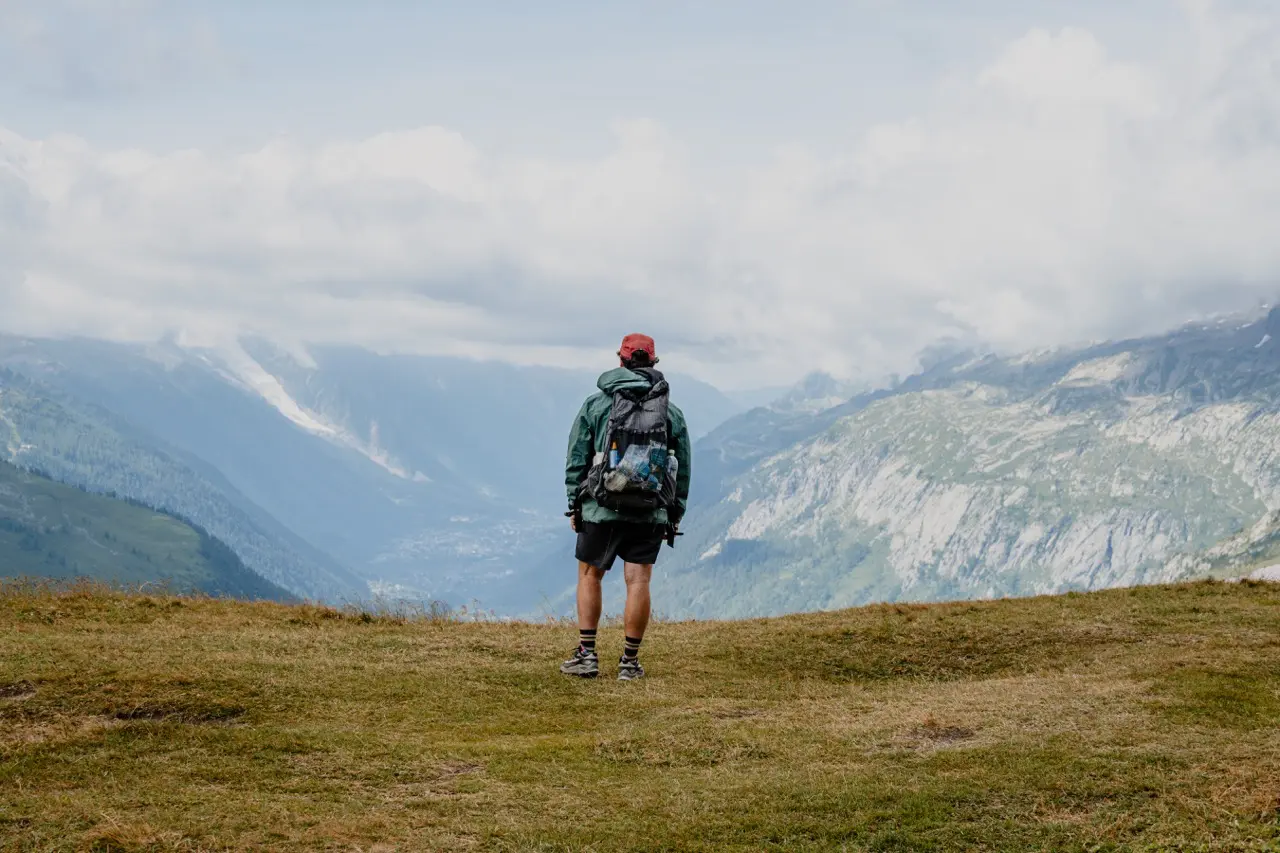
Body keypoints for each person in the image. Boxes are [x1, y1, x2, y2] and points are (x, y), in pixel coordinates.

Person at [561, 333, 692, 681]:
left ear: (620, 361)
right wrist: (673, 513)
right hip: (649, 509)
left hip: (601, 507)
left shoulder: (595, 405)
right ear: (652, 364)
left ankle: (587, 655)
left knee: (590, 575)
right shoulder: (670, 412)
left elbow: (577, 458)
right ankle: (629, 663)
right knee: (638, 581)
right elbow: (683, 468)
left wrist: (575, 503)